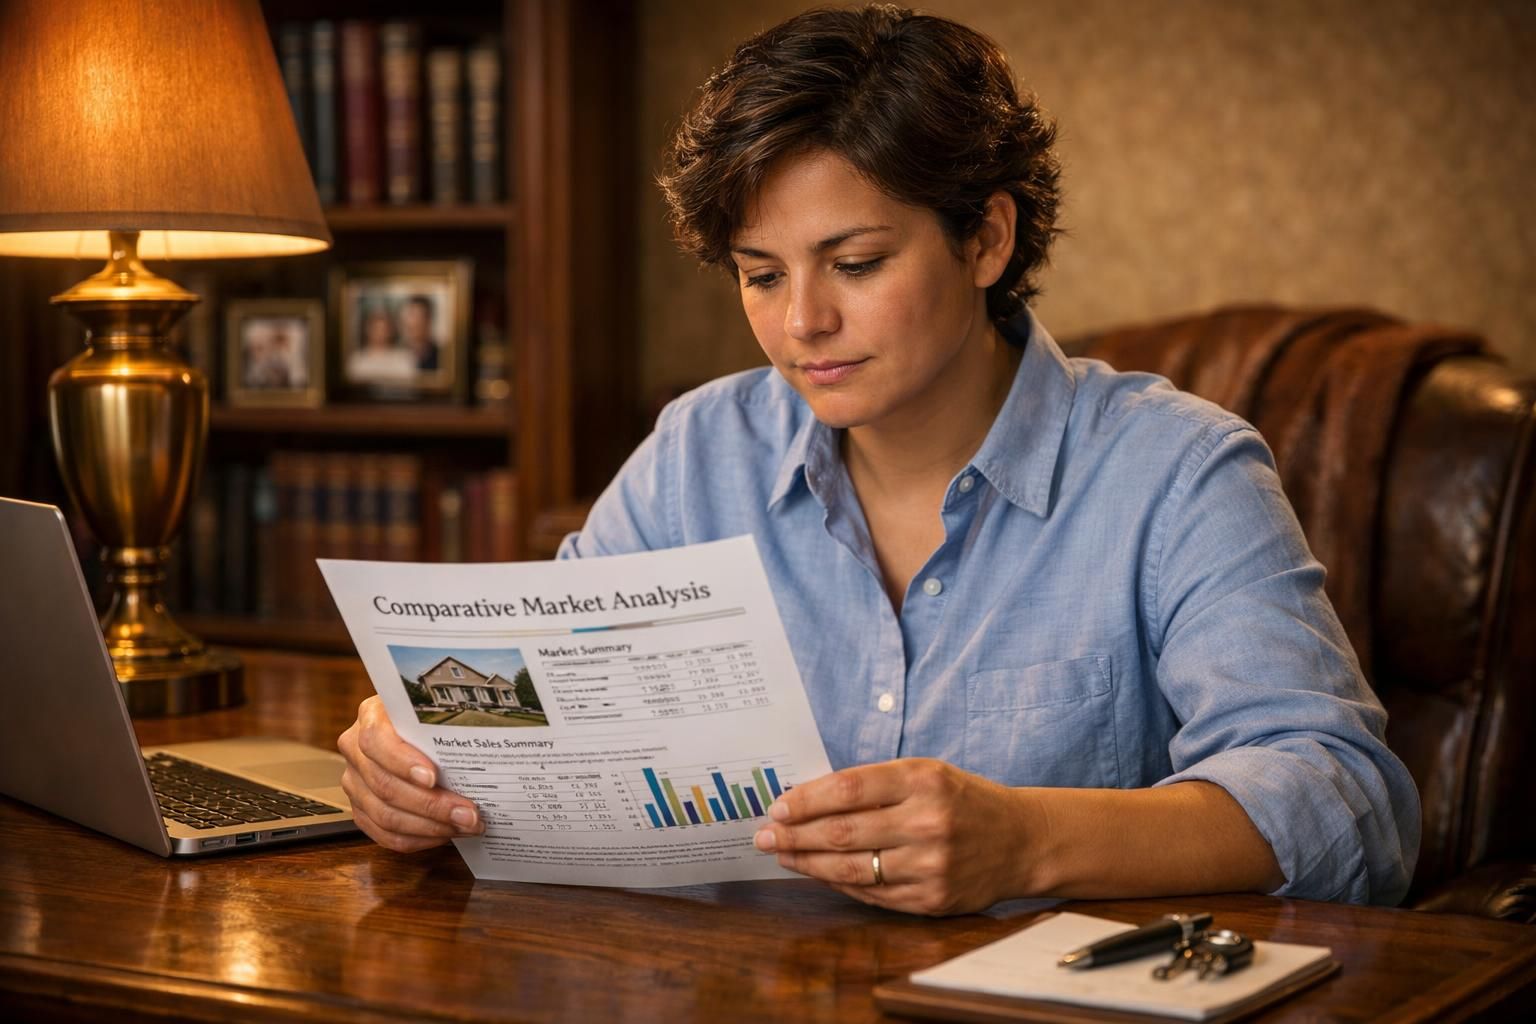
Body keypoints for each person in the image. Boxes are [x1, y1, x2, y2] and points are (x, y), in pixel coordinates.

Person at [337, 5, 1419, 915]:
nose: (803, 321)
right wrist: (415, 758)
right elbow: (536, 710)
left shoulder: (1175, 472)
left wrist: (1028, 839)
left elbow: (1347, 801)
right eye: (761, 275)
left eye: (854, 262)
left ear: (987, 240)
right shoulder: (698, 453)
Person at [347, 302, 416, 384]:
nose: (380, 333)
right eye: (376, 328)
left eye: (384, 329)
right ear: (367, 329)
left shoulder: (404, 358)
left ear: (391, 330)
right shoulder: (357, 359)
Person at [399, 295, 441, 372]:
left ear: (429, 321)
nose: (412, 323)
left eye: (418, 317)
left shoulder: (442, 357)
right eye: (410, 315)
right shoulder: (396, 353)